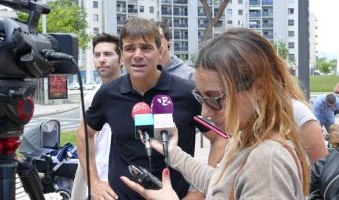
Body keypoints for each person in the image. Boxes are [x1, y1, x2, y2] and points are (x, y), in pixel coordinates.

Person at [121, 27, 309, 199]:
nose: (205, 113)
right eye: (201, 98)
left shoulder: (267, 161)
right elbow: (219, 183)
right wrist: (172, 153)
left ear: (259, 88)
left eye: (215, 99)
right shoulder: (246, 138)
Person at [76, 18, 211, 200]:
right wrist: (94, 181)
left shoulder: (187, 93)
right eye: (130, 48)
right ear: (122, 55)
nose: (137, 55)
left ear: (160, 51)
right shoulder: (108, 94)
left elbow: (220, 139)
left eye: (146, 48)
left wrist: (199, 191)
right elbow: (85, 133)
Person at [71, 33, 123, 199]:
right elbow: (85, 140)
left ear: (121, 59)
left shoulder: (132, 97)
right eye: (97, 55)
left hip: (123, 182)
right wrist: (93, 181)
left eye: (108, 54)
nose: (101, 59)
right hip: (95, 184)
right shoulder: (89, 99)